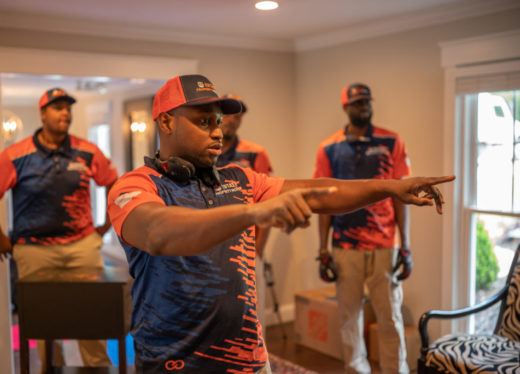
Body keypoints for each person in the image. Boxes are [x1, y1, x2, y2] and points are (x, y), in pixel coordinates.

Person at [106, 74, 453, 374]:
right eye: (203, 122)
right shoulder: (137, 185)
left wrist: (391, 186)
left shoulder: (240, 179)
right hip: (176, 363)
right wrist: (253, 214)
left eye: (218, 122)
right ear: (166, 123)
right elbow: (156, 232)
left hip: (250, 359)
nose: (218, 133)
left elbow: (319, 193)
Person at [0, 87, 117, 372]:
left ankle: (98, 368)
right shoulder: (17, 155)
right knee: (43, 320)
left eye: (68, 107)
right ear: (43, 113)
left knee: (90, 312)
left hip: (82, 246)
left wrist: (105, 227)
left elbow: (114, 181)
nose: (65, 112)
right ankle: (52, 368)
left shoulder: (87, 151)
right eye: (57, 107)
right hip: (34, 250)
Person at [313, 83, 412, 374]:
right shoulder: (329, 148)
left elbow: (401, 196)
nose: (363, 107)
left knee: (390, 318)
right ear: (345, 107)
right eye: (356, 103)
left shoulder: (392, 141)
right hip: (345, 247)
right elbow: (323, 201)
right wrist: (322, 249)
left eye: (366, 102)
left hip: (385, 245)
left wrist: (405, 246)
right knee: (349, 319)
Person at [216, 93, 273, 338]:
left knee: (253, 313)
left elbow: (269, 200)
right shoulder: (204, 150)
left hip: (248, 246)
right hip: (212, 245)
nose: (232, 120)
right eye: (227, 114)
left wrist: (259, 247)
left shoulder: (254, 153)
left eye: (238, 116)